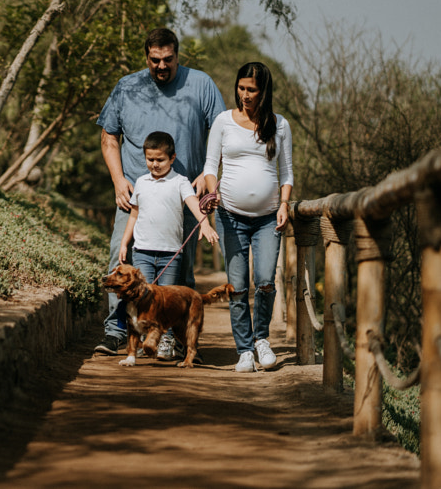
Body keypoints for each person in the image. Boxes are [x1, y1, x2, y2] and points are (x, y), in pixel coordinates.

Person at [94, 27, 226, 358]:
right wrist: (118, 179)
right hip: (136, 195)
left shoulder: (201, 85)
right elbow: (109, 137)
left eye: (168, 59)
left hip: (182, 195)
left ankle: (176, 336)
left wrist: (207, 174)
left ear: (177, 55)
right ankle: (116, 330)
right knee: (121, 260)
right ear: (147, 57)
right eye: (155, 60)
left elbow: (222, 134)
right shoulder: (127, 86)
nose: (162, 66)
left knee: (178, 271)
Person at [202, 61, 293, 373]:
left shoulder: (280, 125)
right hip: (230, 215)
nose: (244, 95)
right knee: (238, 286)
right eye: (241, 88)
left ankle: (262, 339)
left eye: (251, 90)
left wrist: (284, 204)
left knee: (266, 280)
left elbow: (287, 172)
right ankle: (244, 350)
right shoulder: (223, 121)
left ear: (263, 91)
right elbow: (211, 165)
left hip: (269, 218)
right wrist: (212, 193)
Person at [118, 131, 220, 359]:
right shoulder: (141, 183)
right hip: (142, 251)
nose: (154, 164)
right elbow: (133, 215)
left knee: (165, 301)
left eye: (160, 160)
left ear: (172, 158)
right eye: (150, 159)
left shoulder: (180, 181)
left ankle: (166, 341)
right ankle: (145, 339)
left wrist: (205, 225)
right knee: (143, 298)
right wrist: (125, 243)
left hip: (171, 254)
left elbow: (194, 204)